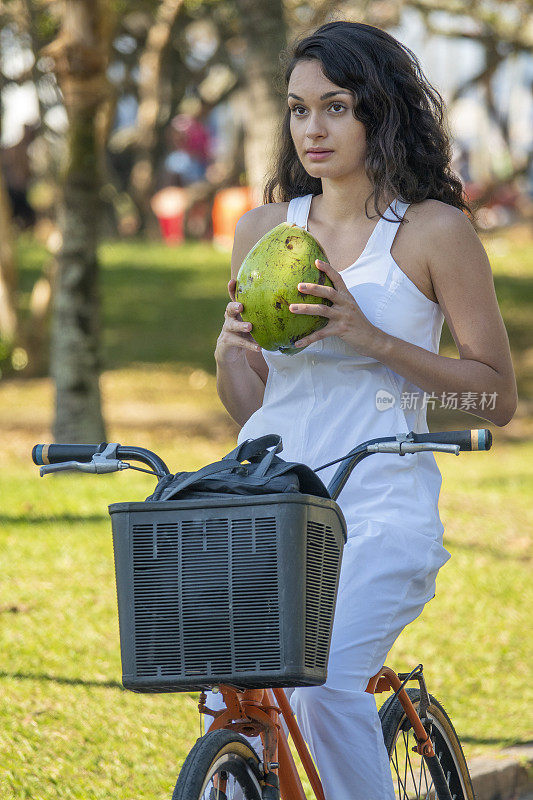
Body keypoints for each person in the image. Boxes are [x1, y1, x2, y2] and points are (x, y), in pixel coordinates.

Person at [212, 21, 517, 800]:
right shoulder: (262, 231)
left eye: (335, 107)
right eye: (297, 109)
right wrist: (227, 353)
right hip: (270, 502)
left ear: (378, 113)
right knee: (234, 702)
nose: (311, 128)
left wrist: (367, 335)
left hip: (379, 504)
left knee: (322, 684)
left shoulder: (431, 232)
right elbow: (253, 405)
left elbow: (494, 395)